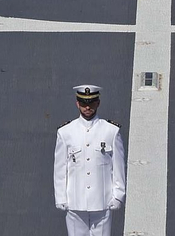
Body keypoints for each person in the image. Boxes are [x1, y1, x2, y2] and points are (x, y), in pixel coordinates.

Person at [53, 84, 126, 236]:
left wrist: (118, 195)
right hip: (75, 201)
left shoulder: (111, 131)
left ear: (98, 103)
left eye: (91, 103)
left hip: (102, 200)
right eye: (84, 103)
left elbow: (118, 166)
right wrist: (60, 197)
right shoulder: (65, 132)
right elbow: (60, 168)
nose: (87, 107)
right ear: (77, 103)